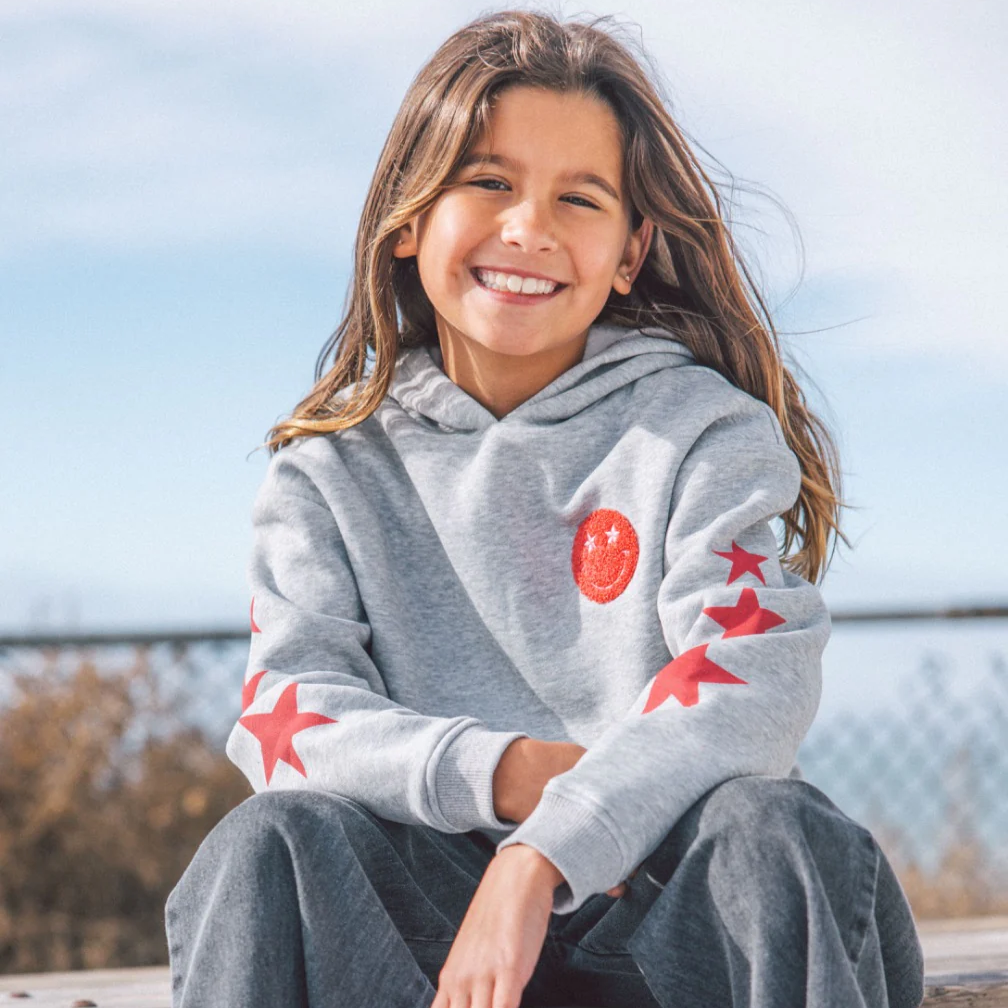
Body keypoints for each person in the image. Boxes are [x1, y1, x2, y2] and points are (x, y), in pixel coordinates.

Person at [164, 9, 925, 1008]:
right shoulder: (331, 472)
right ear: (408, 217)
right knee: (266, 847)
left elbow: (749, 684)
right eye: (488, 182)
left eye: (580, 198)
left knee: (774, 836)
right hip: (427, 939)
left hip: (658, 915)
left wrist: (546, 851)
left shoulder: (701, 433)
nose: (529, 227)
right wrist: (510, 774)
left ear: (629, 251)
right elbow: (286, 718)